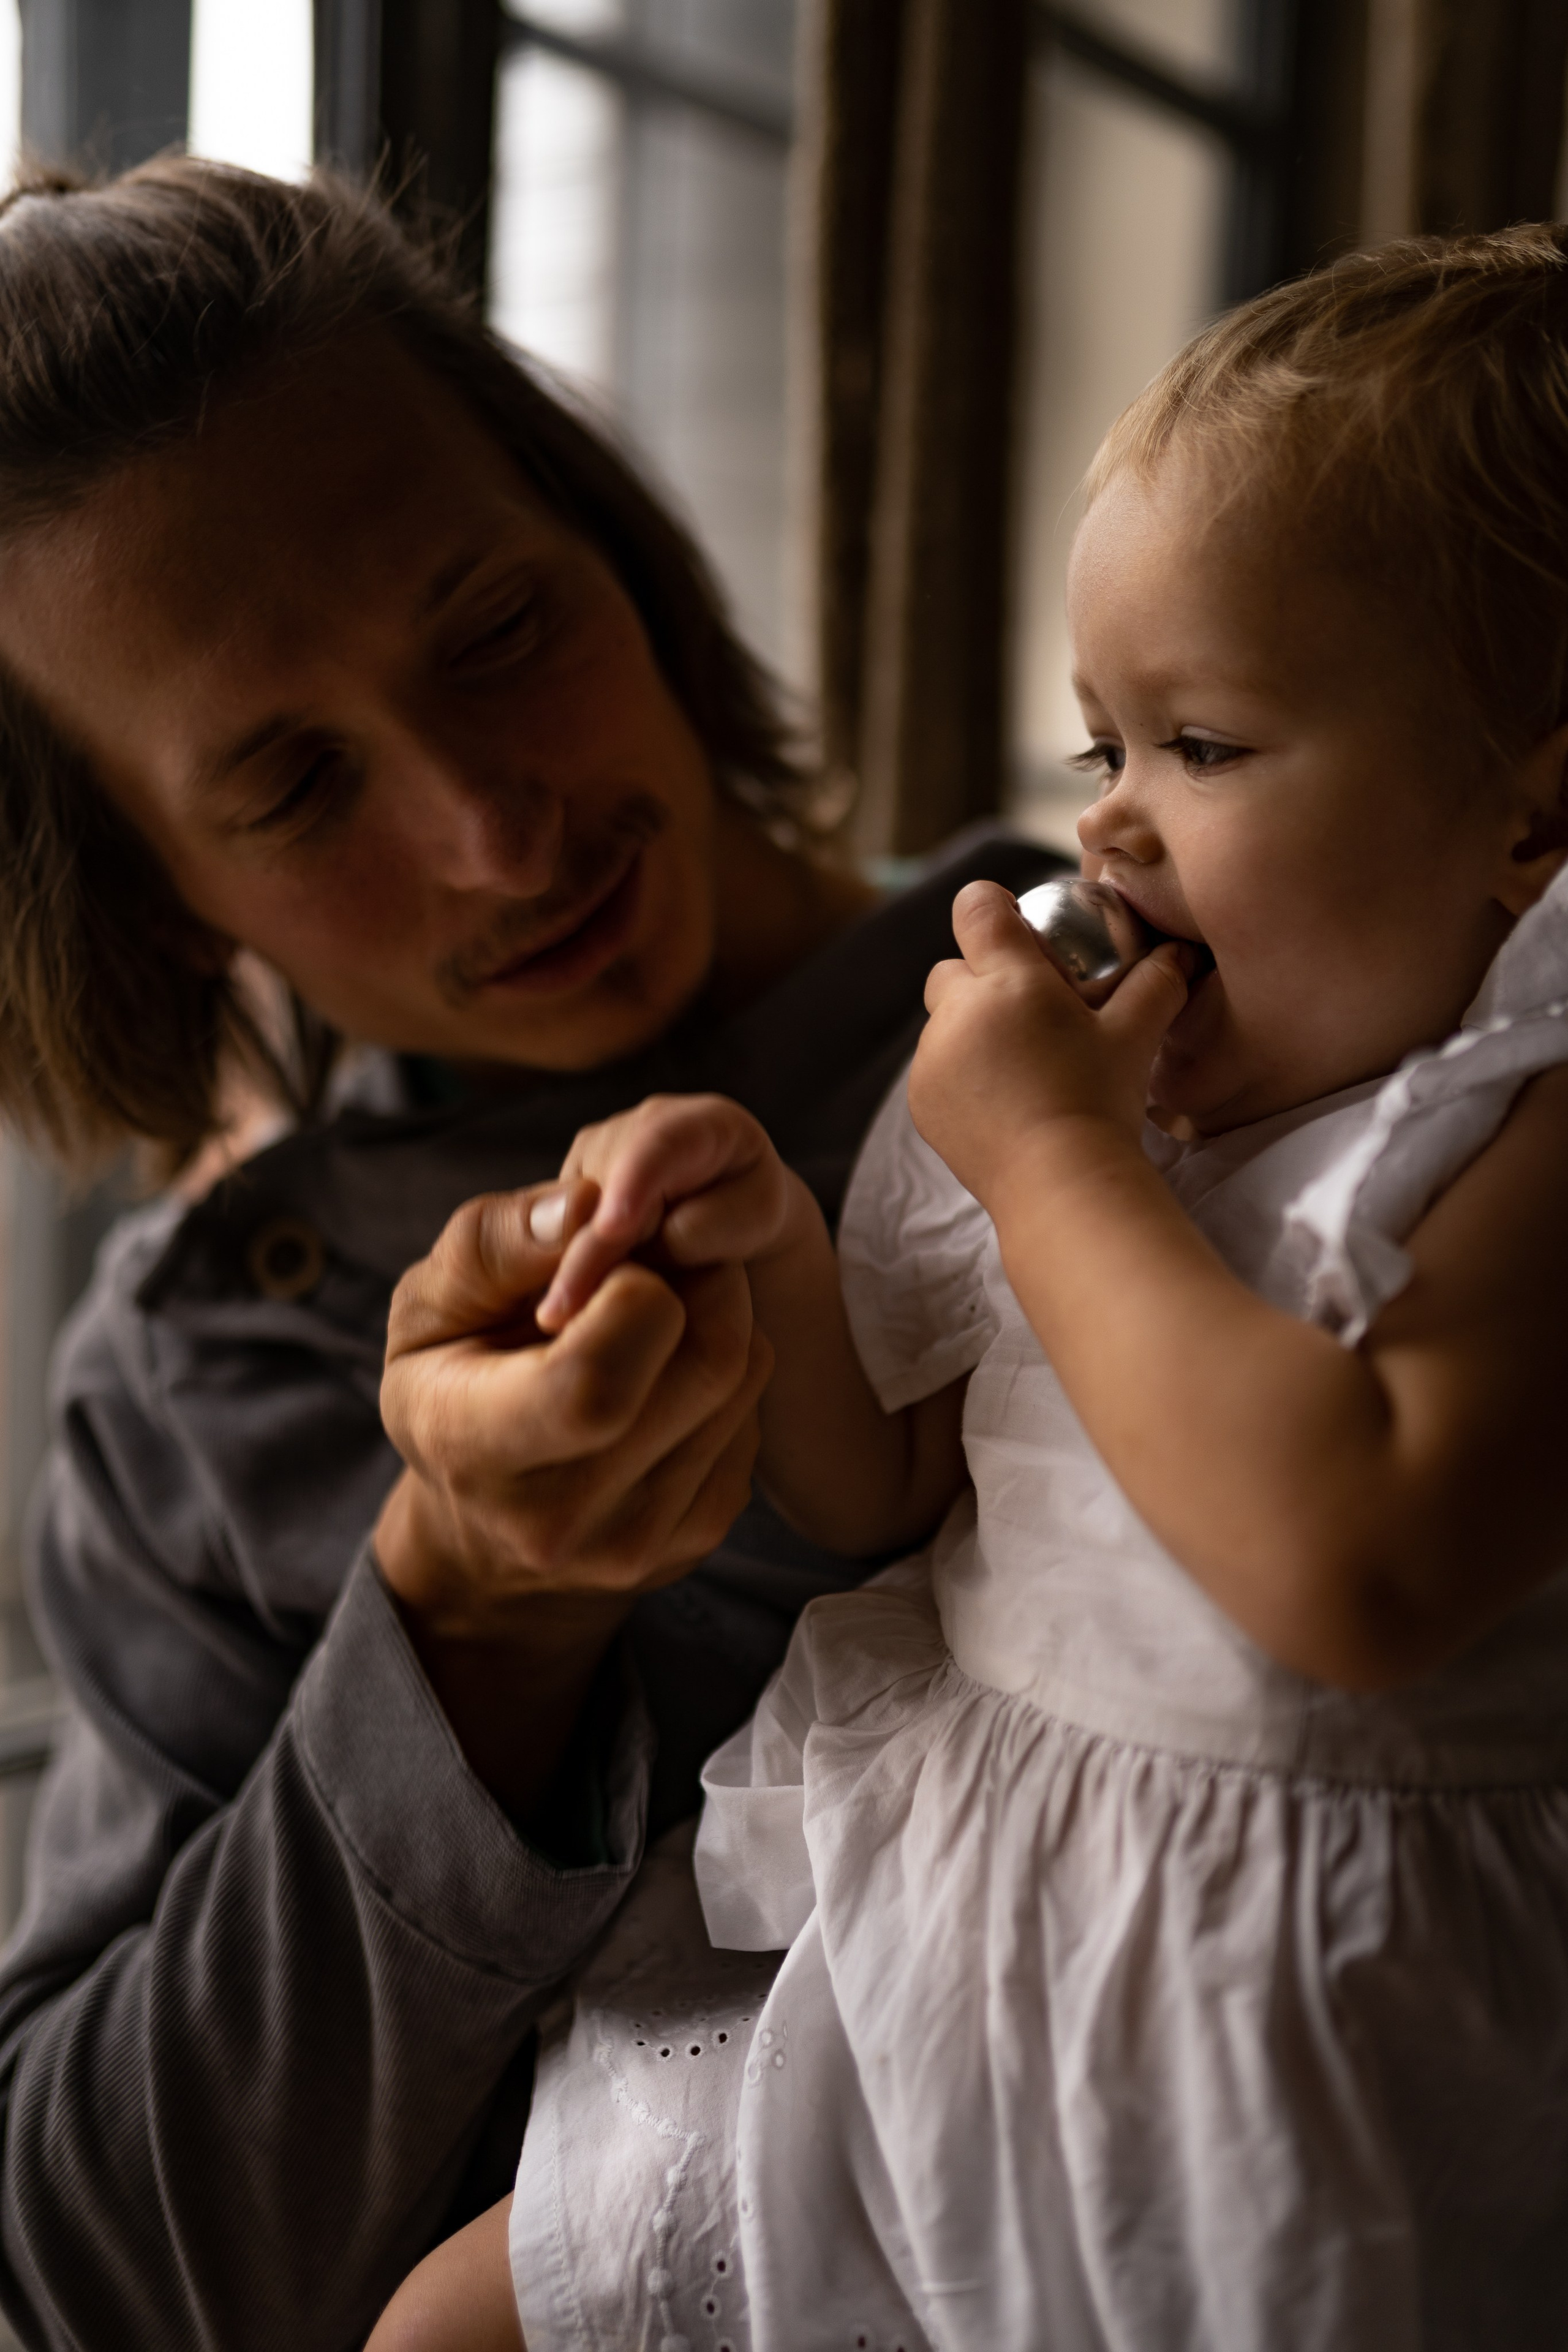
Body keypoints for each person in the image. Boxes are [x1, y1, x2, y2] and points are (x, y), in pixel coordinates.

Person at [377, 224, 1568, 2351]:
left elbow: (1357, 1563)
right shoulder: (1144, 1115)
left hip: (1288, 2063)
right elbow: (885, 1485)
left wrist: (1048, 1166)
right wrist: (765, 1252)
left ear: (1534, 819)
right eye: (1096, 744)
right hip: (940, 1982)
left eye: (1203, 745)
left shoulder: (1513, 1136)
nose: (1106, 830)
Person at [0, 157, 1059, 2349]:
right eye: (295, 788)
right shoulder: (202, 1389)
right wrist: (466, 1617)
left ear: (626, 555)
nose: (498, 831)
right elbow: (94, 2271)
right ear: (158, 895)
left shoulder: (1145, 994)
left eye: (499, 632)